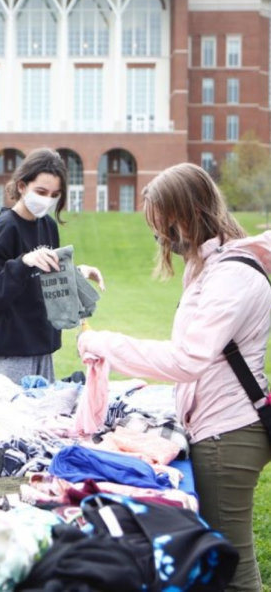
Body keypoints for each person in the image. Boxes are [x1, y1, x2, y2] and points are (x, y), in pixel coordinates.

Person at [77, 163, 271, 592]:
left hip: (228, 434)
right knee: (224, 555)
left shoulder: (232, 275)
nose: (162, 237)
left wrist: (105, 343)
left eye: (163, 225)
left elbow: (189, 359)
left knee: (231, 563)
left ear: (190, 212)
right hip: (216, 427)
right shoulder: (206, 265)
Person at [0, 148, 104, 384]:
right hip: (10, 353)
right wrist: (23, 262)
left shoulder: (48, 226)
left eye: (54, 195)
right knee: (15, 421)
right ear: (22, 186)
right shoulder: (6, 227)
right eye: (41, 191)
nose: (47, 200)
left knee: (43, 419)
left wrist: (78, 273)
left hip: (41, 346)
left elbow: (46, 281)